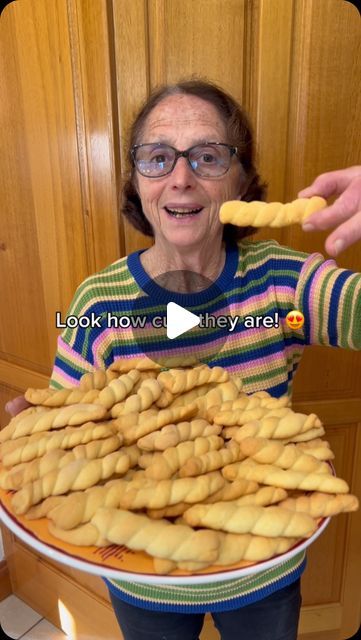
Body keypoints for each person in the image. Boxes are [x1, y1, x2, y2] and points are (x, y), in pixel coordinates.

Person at [5, 80, 361, 640]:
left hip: (264, 569)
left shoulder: (284, 284)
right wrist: (37, 436)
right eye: (157, 157)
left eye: (208, 156)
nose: (181, 176)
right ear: (137, 182)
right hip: (143, 579)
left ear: (241, 180)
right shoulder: (99, 303)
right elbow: (67, 426)